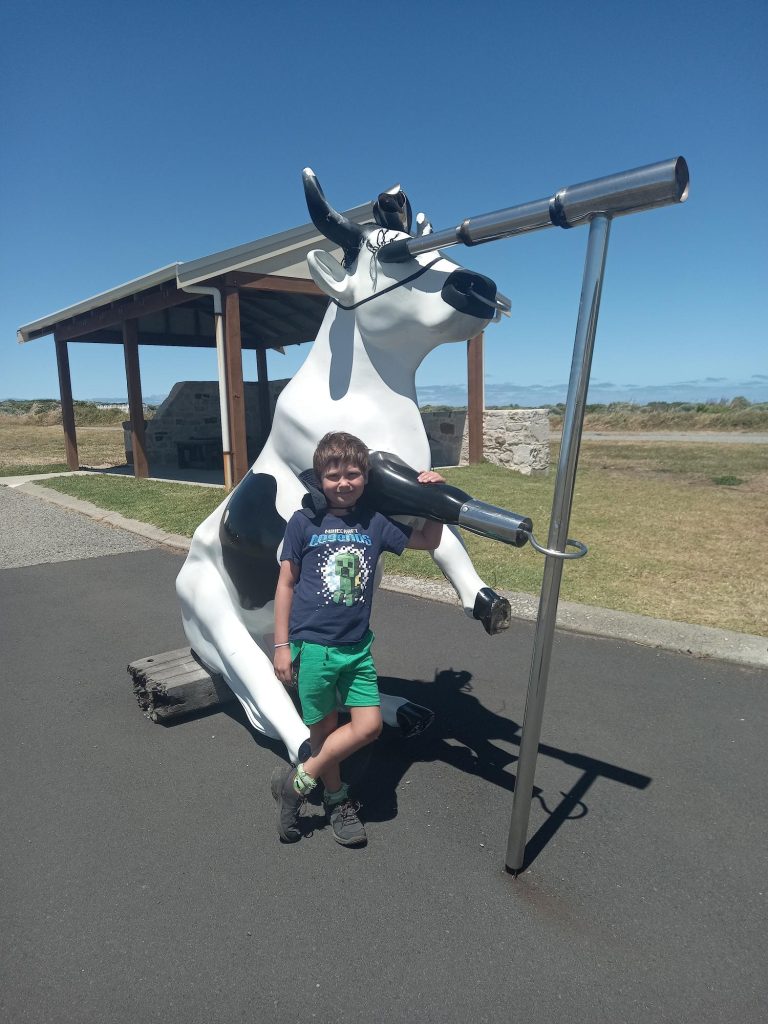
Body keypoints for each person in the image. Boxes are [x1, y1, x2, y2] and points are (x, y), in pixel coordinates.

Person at [271, 431, 445, 846]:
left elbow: (428, 539)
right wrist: (281, 646)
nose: (343, 483)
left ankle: (296, 784)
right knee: (324, 736)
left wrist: (435, 500)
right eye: (334, 475)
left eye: (353, 474)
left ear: (365, 478)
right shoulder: (304, 522)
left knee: (366, 727)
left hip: (357, 650)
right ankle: (337, 801)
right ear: (320, 478)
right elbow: (285, 584)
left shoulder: (374, 522)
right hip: (312, 649)